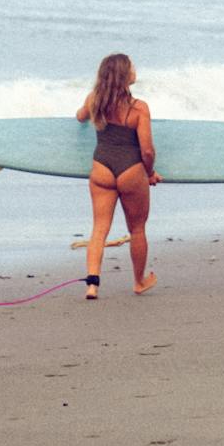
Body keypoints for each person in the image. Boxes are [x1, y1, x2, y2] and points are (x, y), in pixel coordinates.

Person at [75, 52, 160, 299]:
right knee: (137, 229)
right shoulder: (139, 108)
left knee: (99, 229)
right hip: (130, 170)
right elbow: (147, 149)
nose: (135, 69)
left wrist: (87, 111)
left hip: (101, 167)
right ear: (125, 75)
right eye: (132, 67)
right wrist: (151, 172)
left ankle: (92, 284)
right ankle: (138, 281)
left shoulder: (95, 100)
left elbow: (80, 116)